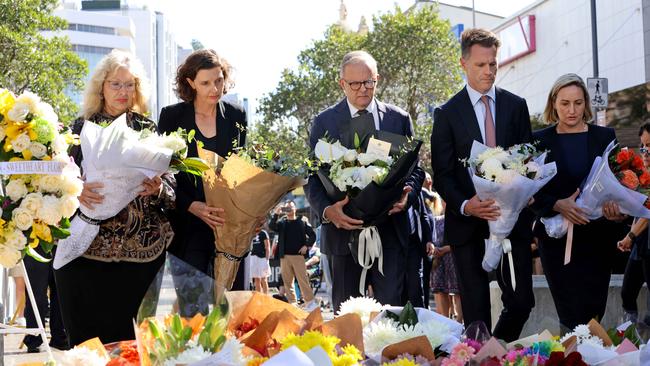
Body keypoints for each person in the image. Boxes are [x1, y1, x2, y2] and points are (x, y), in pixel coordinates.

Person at [54, 50, 175, 345]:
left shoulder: (147, 129)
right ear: (101, 87)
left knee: (134, 347)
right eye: (115, 84)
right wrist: (77, 187)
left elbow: (171, 186)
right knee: (89, 346)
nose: (123, 92)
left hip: (141, 256)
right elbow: (57, 179)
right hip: (85, 255)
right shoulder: (79, 128)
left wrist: (157, 188)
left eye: (129, 84)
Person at [430, 28, 534, 342]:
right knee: (475, 313)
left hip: (511, 222)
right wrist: (466, 205)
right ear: (464, 64)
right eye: (480, 65)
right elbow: (443, 173)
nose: (488, 71)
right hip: (468, 225)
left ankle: (497, 351)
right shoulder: (446, 114)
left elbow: (526, 160)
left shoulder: (516, 106)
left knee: (521, 301)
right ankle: (480, 356)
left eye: (493, 64)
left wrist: (526, 189)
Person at [305, 50, 424, 312]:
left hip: (391, 233)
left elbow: (416, 170)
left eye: (369, 82)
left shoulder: (399, 119)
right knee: (348, 319)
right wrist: (328, 211)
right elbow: (311, 176)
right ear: (342, 84)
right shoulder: (323, 122)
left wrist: (407, 196)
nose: (363, 89)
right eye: (355, 84)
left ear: (377, 80)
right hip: (342, 233)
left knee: (393, 316)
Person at [531, 73, 623, 330]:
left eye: (578, 103)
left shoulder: (605, 136)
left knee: (594, 314)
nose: (572, 110)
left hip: (598, 240)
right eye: (565, 103)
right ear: (553, 104)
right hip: (556, 241)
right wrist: (558, 204)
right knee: (570, 317)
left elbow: (617, 184)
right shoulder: (539, 140)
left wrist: (618, 211)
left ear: (586, 104)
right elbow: (528, 192)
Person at [158, 49, 247, 278]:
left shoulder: (237, 115)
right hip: (187, 226)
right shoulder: (171, 117)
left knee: (229, 307)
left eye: (219, 80)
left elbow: (240, 169)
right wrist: (191, 205)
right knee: (192, 307)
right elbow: (164, 172)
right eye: (206, 83)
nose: (215, 89)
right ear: (191, 82)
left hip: (227, 226)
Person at [617, 122, 650, 325]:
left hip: (643, 240)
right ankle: (631, 332)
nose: (645, 152)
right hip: (641, 244)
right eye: (644, 146)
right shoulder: (641, 175)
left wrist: (630, 236)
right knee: (627, 292)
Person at [269, 201, 318, 311]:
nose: (289, 209)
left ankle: (310, 302)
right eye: (287, 208)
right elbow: (272, 226)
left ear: (295, 208)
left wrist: (307, 245)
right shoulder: (282, 222)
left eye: (291, 207)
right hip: (285, 256)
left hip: (298, 256)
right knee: (287, 282)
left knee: (303, 280)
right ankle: (292, 303)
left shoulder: (302, 221)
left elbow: (312, 235)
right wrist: (276, 214)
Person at [425, 185, 463, 322]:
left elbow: (462, 239)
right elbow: (432, 237)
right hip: (438, 261)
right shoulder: (437, 220)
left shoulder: (459, 219)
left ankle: (459, 322)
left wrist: (447, 249)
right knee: (440, 292)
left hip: (453, 258)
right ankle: (444, 322)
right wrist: (435, 249)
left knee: (457, 291)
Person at [22, 250, 68, 353]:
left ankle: (60, 337)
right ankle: (34, 336)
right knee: (36, 294)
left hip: (61, 244)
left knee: (60, 293)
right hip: (35, 242)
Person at [249, 226, 271, 294]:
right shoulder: (251, 233)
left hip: (262, 258)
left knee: (264, 279)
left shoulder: (263, 233)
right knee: (256, 279)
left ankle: (266, 296)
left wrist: (267, 260)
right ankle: (259, 297)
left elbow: (267, 247)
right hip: (253, 257)